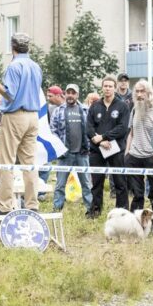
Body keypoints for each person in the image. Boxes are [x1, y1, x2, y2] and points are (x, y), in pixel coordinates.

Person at [0, 33, 42, 214]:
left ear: (13, 47)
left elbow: (9, 94)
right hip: (33, 116)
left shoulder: (14, 66)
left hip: (15, 116)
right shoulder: (36, 66)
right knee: (29, 164)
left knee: (6, 162)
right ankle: (32, 205)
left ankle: (4, 206)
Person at [125, 79, 153, 234]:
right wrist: (127, 153)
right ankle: (135, 224)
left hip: (152, 157)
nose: (140, 94)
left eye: (143, 91)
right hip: (134, 157)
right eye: (137, 91)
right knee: (137, 194)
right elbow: (131, 133)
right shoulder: (134, 109)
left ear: (150, 93)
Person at [86, 75, 130, 217]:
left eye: (110, 86)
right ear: (102, 87)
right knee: (97, 182)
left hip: (115, 148)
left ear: (115, 87)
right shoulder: (95, 105)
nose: (108, 88)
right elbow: (89, 127)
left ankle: (121, 211)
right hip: (97, 149)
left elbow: (123, 128)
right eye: (105, 86)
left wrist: (105, 137)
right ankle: (95, 210)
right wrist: (99, 141)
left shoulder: (122, 105)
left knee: (119, 182)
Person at [49, 84, 93, 213]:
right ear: (64, 94)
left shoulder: (86, 110)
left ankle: (90, 209)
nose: (70, 95)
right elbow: (53, 131)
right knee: (60, 184)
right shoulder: (58, 110)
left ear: (77, 95)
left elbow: (91, 129)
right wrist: (60, 147)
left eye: (73, 93)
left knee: (86, 184)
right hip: (65, 154)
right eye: (68, 92)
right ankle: (57, 208)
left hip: (82, 153)